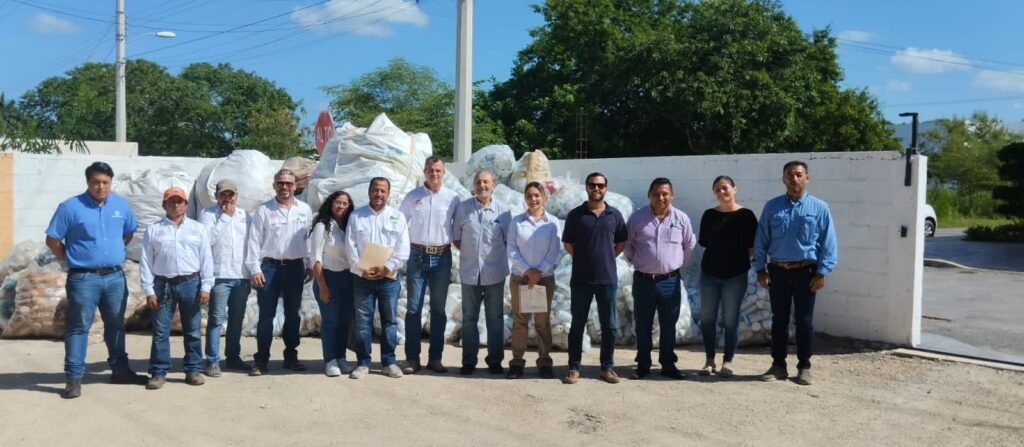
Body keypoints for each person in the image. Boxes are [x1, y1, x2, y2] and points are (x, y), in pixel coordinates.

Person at [45, 161, 146, 399]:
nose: (100, 187)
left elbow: (129, 230)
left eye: (105, 182)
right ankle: (73, 378)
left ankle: (120, 371)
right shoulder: (70, 207)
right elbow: (52, 239)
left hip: (114, 277)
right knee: (79, 327)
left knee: (116, 325)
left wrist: (116, 248)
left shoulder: (121, 206)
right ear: (88, 182)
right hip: (83, 279)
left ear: (111, 183)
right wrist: (68, 260)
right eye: (95, 182)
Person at [752, 161, 838, 386]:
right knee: (778, 320)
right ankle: (778, 365)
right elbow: (761, 240)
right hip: (778, 272)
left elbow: (829, 243)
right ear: (783, 179)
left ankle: (804, 366)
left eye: (799, 175)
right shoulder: (772, 207)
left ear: (807, 178)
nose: (794, 179)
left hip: (806, 273)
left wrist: (822, 273)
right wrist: (760, 269)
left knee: (805, 321)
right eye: (789, 175)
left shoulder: (820, 208)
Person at [139, 187, 214, 390]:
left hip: (191, 283)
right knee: (161, 331)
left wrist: (206, 286)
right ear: (164, 205)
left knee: (192, 330)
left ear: (186, 205)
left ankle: (192, 369)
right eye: (171, 201)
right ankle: (158, 372)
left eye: (179, 201)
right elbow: (145, 261)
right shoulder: (153, 230)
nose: (175, 205)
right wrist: (149, 290)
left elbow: (206, 258)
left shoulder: (197, 229)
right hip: (163, 284)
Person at [624, 178, 696, 380]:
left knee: (668, 324)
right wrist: (641, 263)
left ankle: (668, 364)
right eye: (656, 194)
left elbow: (689, 245)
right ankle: (643, 365)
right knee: (643, 324)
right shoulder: (637, 219)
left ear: (671, 195)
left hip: (669, 282)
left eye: (665, 194)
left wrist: (674, 265)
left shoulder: (681, 219)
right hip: (644, 280)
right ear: (649, 195)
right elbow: (628, 247)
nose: (660, 198)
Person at [245, 169, 313, 376]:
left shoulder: (305, 209)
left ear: (295, 186)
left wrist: (310, 264)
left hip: (295, 268)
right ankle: (262, 359)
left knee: (293, 314)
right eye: (281, 183)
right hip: (270, 268)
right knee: (267, 315)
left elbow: (309, 239)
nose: (285, 187)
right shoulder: (264, 210)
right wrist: (254, 268)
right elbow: (254, 240)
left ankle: (291, 355)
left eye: (289, 183)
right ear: (274, 185)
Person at [561, 172, 628, 384]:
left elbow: (620, 244)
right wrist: (584, 258)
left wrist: (605, 258)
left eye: (600, 185)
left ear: (605, 188)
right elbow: (568, 244)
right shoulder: (576, 215)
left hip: (607, 278)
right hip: (581, 279)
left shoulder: (614, 215)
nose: (596, 189)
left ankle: (607, 367)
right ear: (587, 188)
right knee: (577, 324)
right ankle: (573, 367)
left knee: (609, 326)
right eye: (592, 185)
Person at [399, 156, 460, 374]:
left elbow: (459, 227)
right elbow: (399, 224)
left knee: (438, 310)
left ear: (444, 173)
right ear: (424, 172)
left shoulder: (452, 199)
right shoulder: (412, 197)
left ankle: (435, 358)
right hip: (417, 255)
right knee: (413, 309)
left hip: (442, 257)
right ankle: (412, 359)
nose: (434, 174)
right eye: (431, 170)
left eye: (438, 170)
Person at [345, 177, 410, 379]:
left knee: (389, 321)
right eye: (375, 190)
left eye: (383, 191)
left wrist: (388, 267)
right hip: (362, 278)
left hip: (388, 278)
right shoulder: (357, 216)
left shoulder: (398, 217)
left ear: (388, 194)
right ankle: (363, 362)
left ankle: (388, 362)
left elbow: (403, 249)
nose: (379, 194)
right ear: (369, 192)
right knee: (363, 321)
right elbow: (350, 246)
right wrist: (360, 269)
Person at [697, 176, 758, 378]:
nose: (722, 192)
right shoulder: (709, 215)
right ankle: (709, 360)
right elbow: (704, 242)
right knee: (707, 319)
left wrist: (734, 261)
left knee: (730, 320)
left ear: (734, 189)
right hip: (709, 275)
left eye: (725, 188)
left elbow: (752, 247)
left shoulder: (746, 216)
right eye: (717, 190)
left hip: (735, 276)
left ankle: (728, 361)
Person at [452, 170, 511, 376]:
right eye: (478, 182)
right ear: (474, 185)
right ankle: (469, 361)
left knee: (495, 318)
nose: (482, 185)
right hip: (470, 273)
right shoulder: (463, 208)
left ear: (493, 185)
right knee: (469, 318)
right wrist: (471, 256)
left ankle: (495, 360)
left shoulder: (503, 212)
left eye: (486, 182)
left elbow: (507, 241)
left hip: (495, 273)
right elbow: (457, 239)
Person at [197, 179, 252, 376]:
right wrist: (225, 218)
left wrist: (253, 269)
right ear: (216, 196)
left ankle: (233, 356)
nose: (226, 198)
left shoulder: (245, 216)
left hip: (241, 276)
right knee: (216, 319)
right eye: (223, 195)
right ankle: (212, 360)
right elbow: (207, 240)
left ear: (236, 196)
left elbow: (252, 243)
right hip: (219, 275)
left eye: (230, 194)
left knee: (237, 319)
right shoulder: (207, 214)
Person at [506, 181, 560, 379]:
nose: (533, 199)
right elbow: (511, 249)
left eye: (537, 195)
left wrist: (538, 273)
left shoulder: (552, 222)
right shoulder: (517, 222)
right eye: (529, 195)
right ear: (525, 198)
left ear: (544, 197)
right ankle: (517, 361)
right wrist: (528, 272)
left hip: (544, 279)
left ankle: (544, 360)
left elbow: (555, 250)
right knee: (520, 321)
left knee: (541, 321)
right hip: (520, 277)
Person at [308, 190, 356, 377]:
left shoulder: (349, 226)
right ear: (330, 203)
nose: (341, 206)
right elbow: (315, 258)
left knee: (344, 321)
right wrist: (322, 285)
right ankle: (330, 360)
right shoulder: (323, 226)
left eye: (345, 204)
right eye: (338, 202)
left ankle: (341, 357)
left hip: (348, 279)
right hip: (328, 278)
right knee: (331, 321)